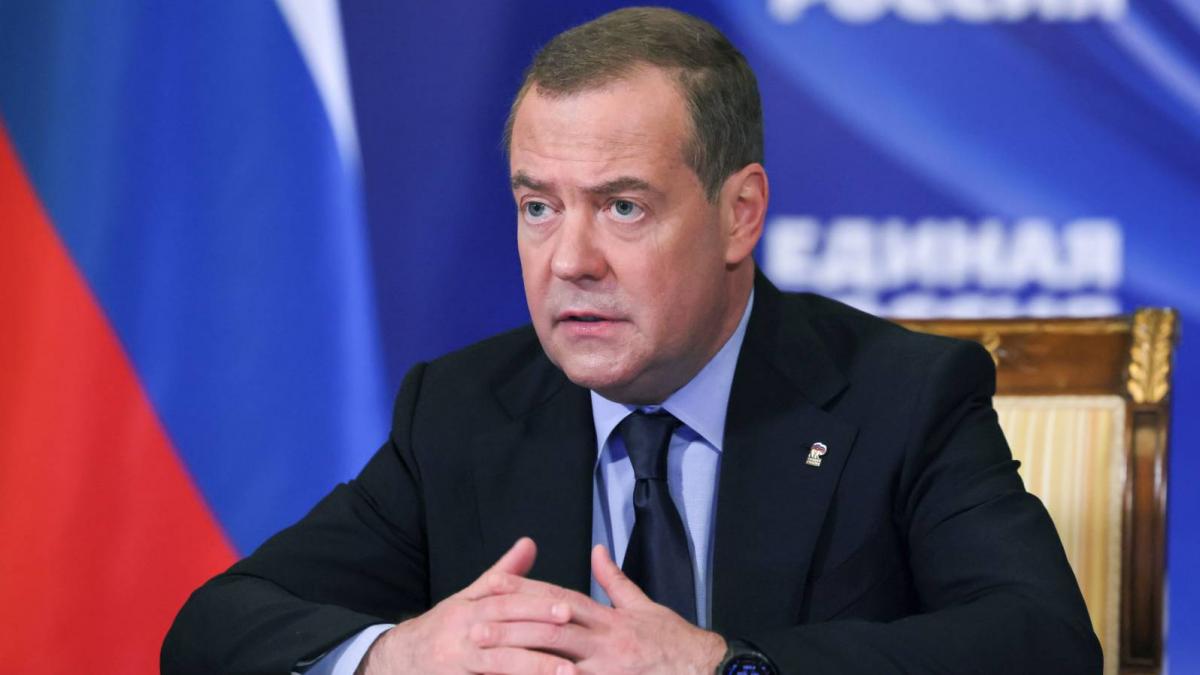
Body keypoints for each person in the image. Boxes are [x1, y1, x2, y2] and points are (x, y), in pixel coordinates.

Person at [162, 7, 1101, 674]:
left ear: (740, 213)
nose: (570, 261)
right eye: (538, 207)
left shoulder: (901, 396)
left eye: (622, 206)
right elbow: (212, 630)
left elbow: (1044, 643)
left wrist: (722, 664)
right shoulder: (461, 410)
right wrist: (396, 654)